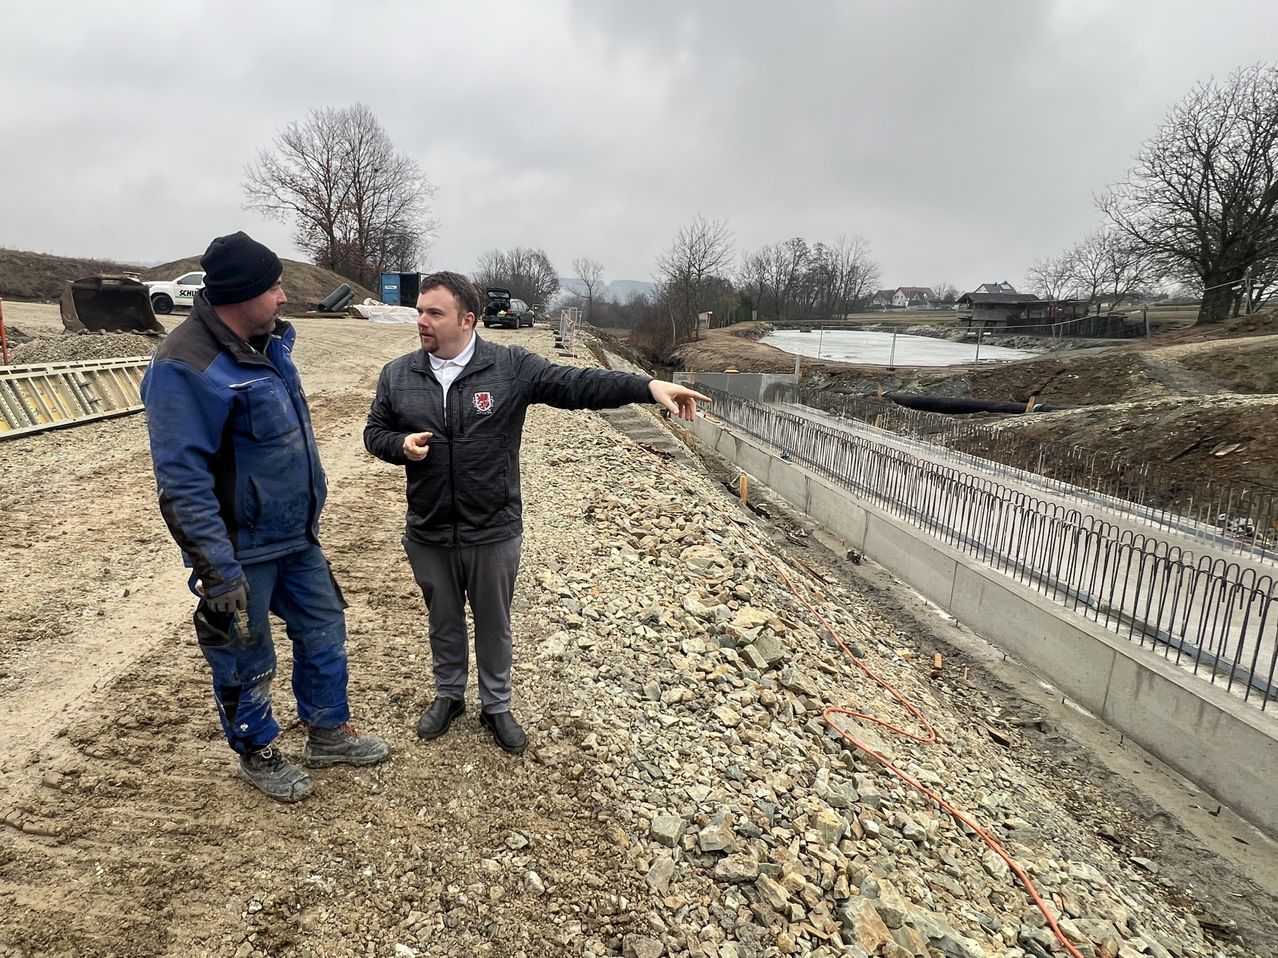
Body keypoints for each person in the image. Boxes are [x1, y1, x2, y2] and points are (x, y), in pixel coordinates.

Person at [364, 272, 709, 755]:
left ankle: (496, 704)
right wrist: (399, 445)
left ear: (468, 319)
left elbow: (578, 384)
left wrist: (647, 386)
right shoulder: (399, 375)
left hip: (494, 528)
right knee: (443, 619)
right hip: (429, 528)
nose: (421, 321)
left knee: (493, 621)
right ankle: (449, 696)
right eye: (420, 311)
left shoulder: (510, 368)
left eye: (433, 313)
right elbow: (373, 432)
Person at [141, 231, 389, 802]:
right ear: (239, 295)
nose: (283, 297)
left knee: (324, 631)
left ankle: (327, 732)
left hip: (295, 538)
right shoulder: (186, 366)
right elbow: (181, 482)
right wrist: (216, 568)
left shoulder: (270, 342)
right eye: (272, 287)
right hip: (239, 552)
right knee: (245, 655)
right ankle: (257, 749)